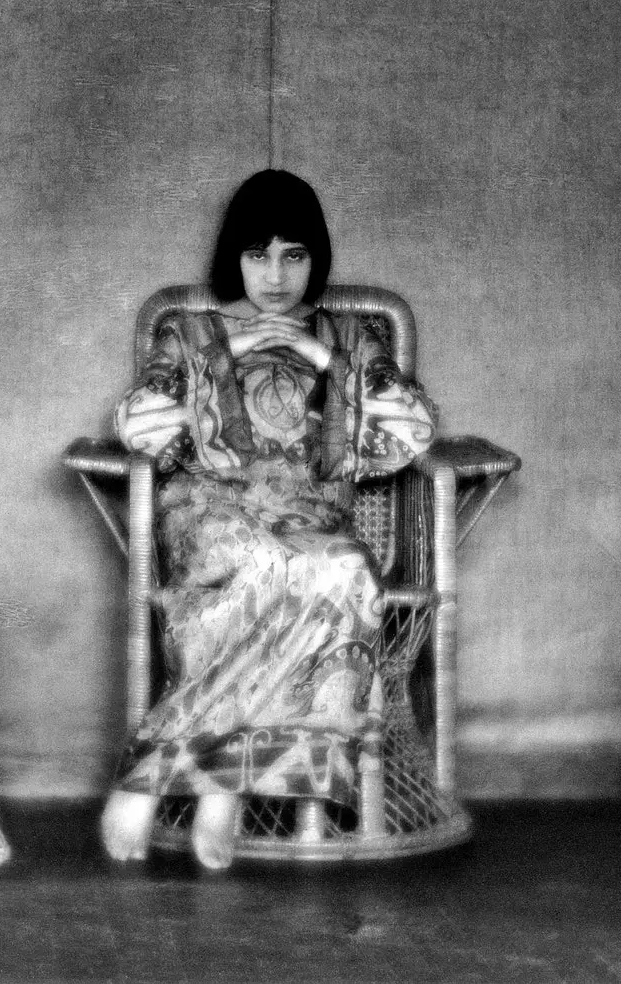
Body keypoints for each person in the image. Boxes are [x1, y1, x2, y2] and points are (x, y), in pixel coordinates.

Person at [100, 168, 438, 869]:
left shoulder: (347, 337)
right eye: (258, 255)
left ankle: (199, 783)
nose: (275, 277)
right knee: (264, 565)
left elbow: (412, 432)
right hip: (210, 510)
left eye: (294, 255)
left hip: (311, 518)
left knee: (343, 572)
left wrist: (323, 358)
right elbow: (142, 429)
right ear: (236, 257)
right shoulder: (193, 333)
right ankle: (175, 783)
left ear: (316, 258)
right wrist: (234, 352)